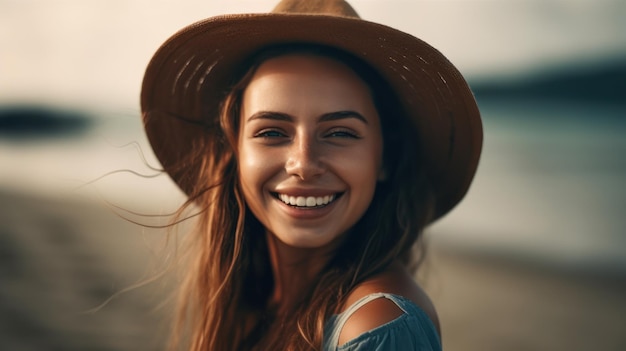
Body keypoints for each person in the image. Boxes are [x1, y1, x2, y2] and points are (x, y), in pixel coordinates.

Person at [140, 0, 482, 350]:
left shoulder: (377, 327)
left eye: (340, 133)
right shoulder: (259, 302)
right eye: (272, 132)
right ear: (235, 152)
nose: (303, 164)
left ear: (385, 159)